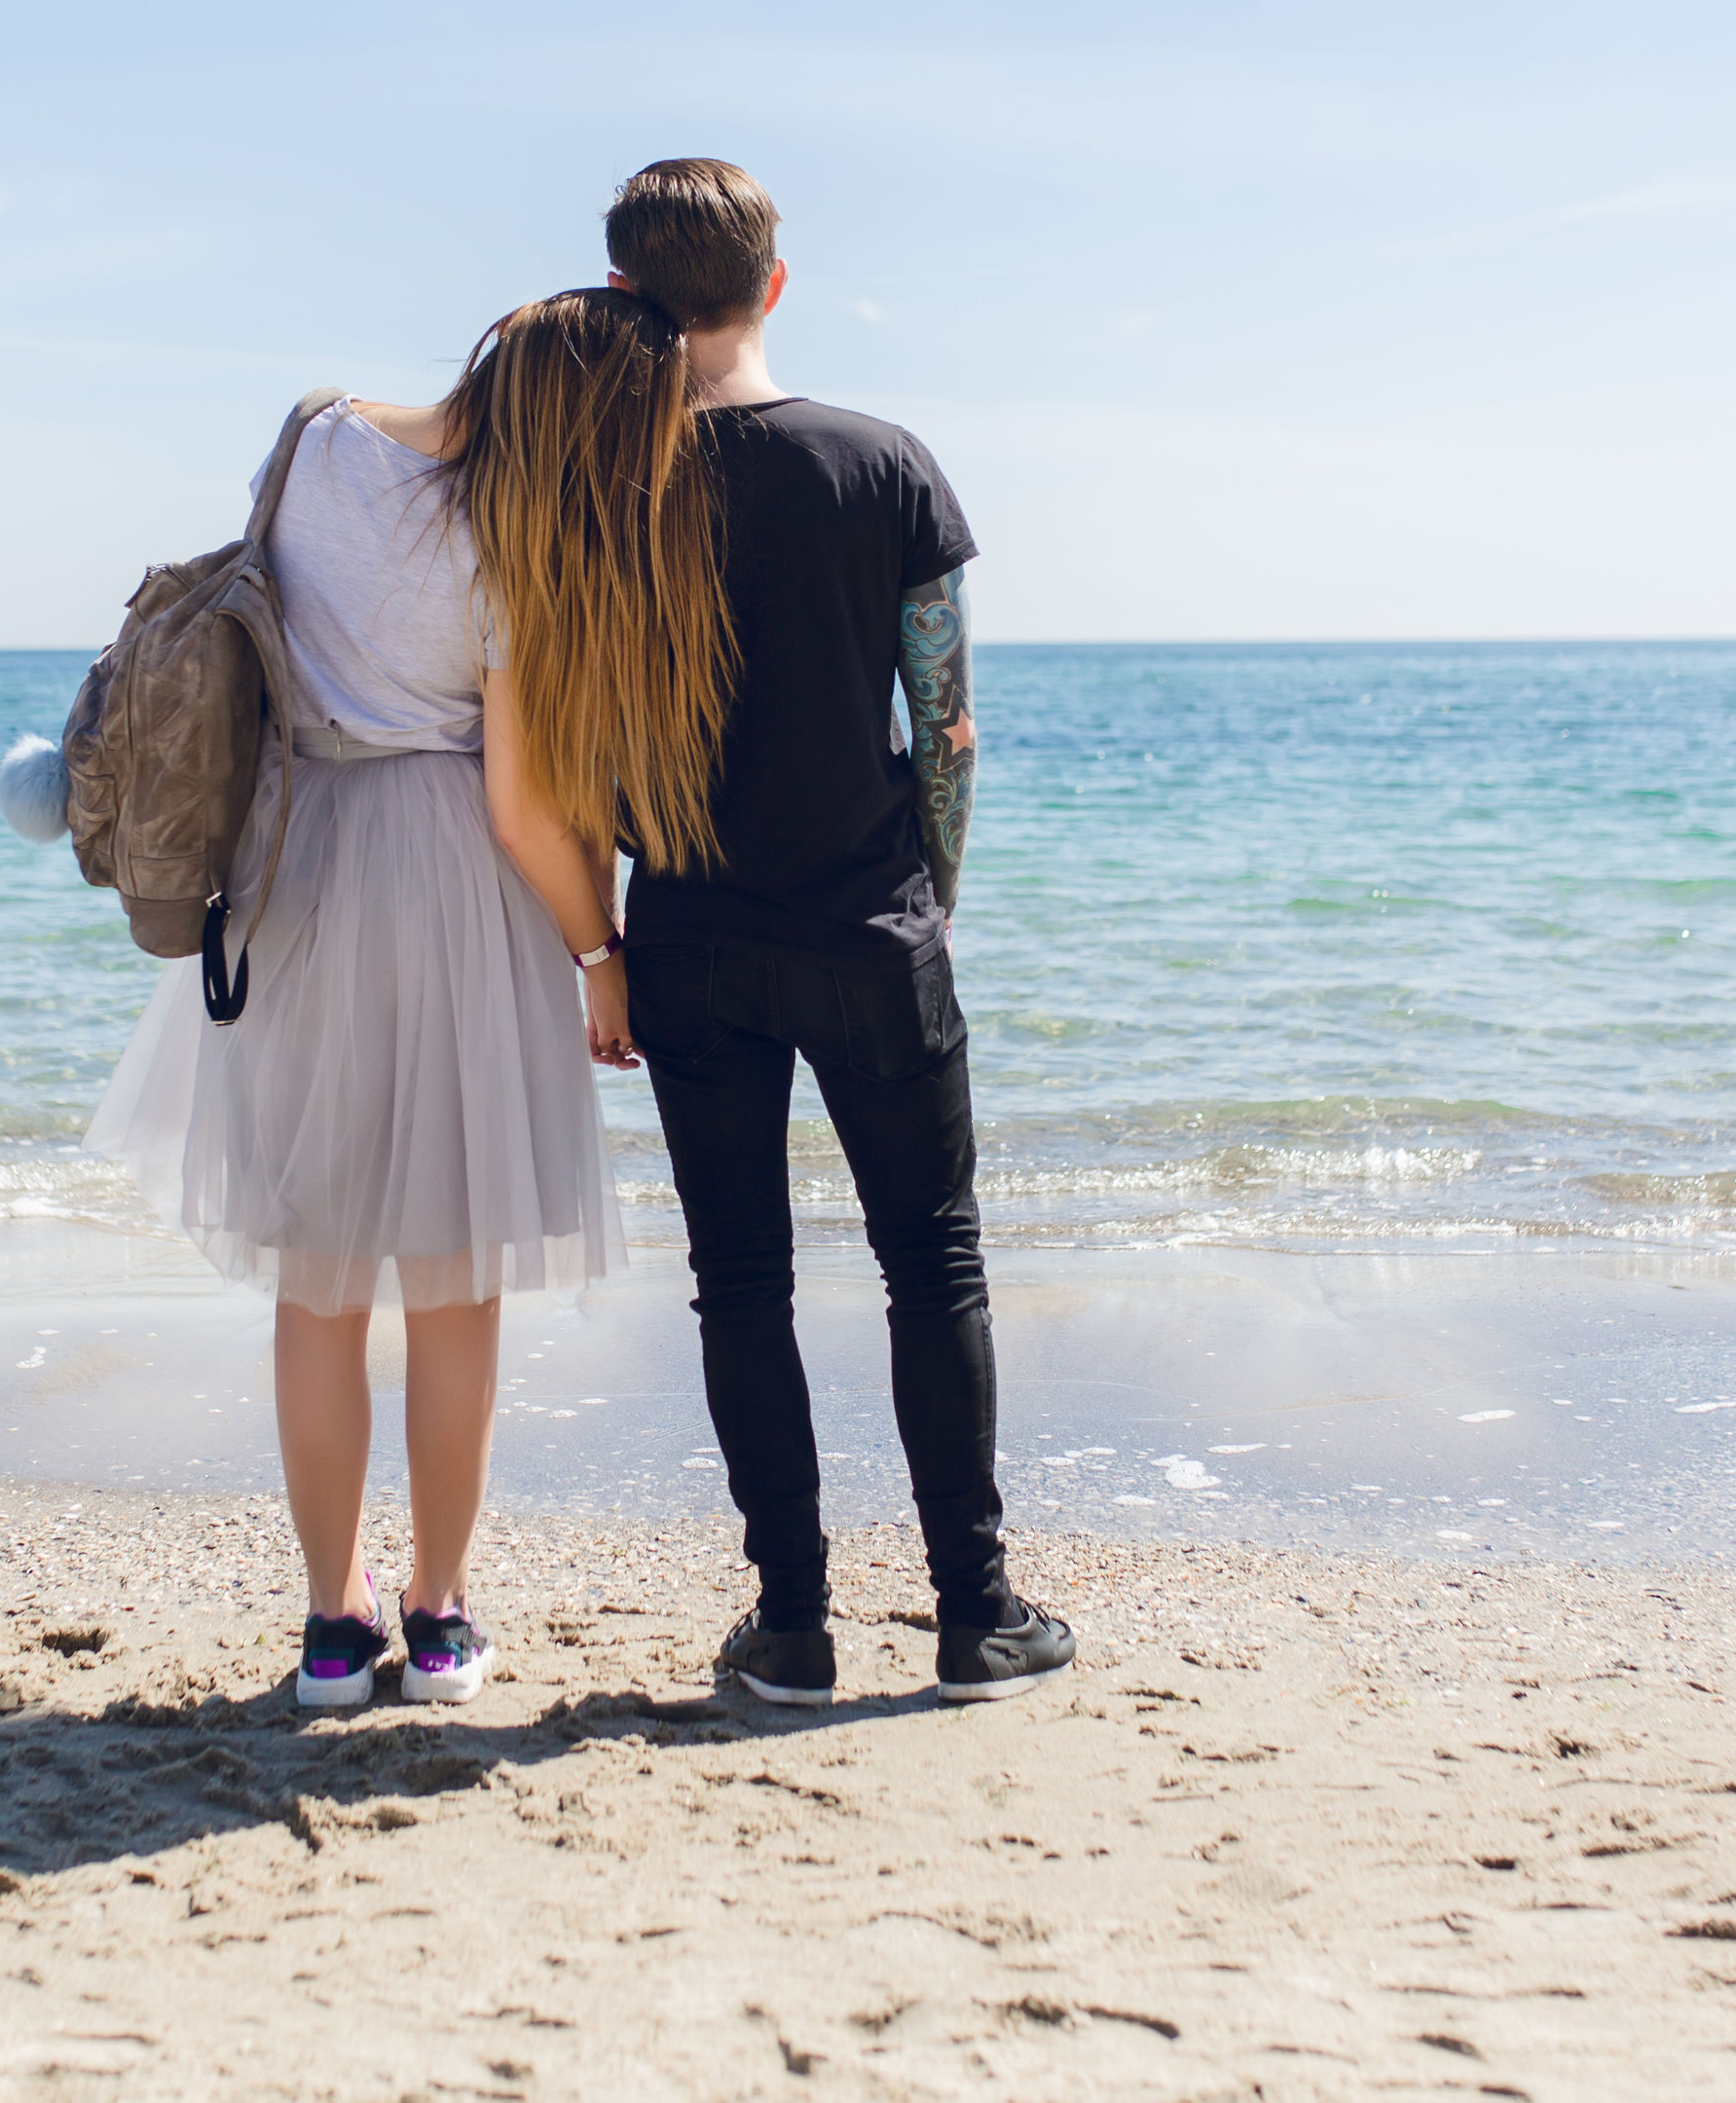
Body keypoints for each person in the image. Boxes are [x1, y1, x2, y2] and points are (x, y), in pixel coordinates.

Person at [87, 290, 729, 1709]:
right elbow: (519, 806)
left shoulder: (315, 436)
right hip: (452, 890)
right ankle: (437, 1618)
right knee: (455, 1290)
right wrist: (599, 952)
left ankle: (331, 1625)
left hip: (297, 863)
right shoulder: (519, 541)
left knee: (315, 1287)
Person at [601, 159, 1078, 1704]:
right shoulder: (883, 465)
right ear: (774, 286)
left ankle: (792, 1628)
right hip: (872, 924)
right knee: (932, 1264)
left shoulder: (604, 491)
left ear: (626, 299)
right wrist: (928, 897)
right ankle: (973, 1616)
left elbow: (573, 730)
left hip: (684, 933)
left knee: (739, 1279)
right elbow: (947, 730)